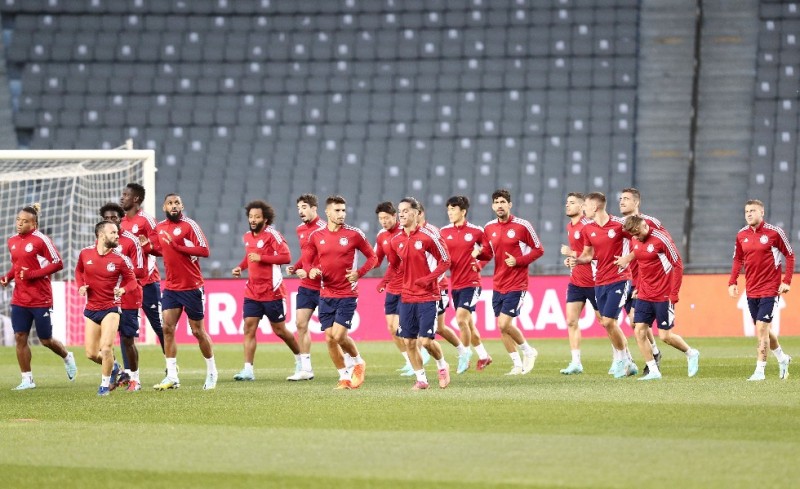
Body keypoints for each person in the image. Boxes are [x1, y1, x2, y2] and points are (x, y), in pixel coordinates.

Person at [297, 195, 377, 389]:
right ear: (327, 212)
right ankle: (344, 377)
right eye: (337, 210)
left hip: (347, 293)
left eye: (343, 210)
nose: (342, 214)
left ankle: (358, 362)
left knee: (339, 336)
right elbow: (306, 259)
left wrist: (359, 273)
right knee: (329, 339)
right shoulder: (316, 236)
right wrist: (310, 270)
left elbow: (373, 257)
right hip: (326, 294)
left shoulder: (354, 234)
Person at [1, 203, 76, 390]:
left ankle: (67, 356)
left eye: (25, 221)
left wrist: (32, 274)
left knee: (45, 340)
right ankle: (27, 379)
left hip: (40, 298)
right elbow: (17, 265)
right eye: (18, 220)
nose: (20, 223)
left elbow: (58, 263)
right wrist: (8, 277)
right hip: (19, 298)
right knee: (20, 336)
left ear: (33, 224)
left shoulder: (41, 240)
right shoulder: (12, 241)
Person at [149, 193, 217, 390]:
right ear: (164, 207)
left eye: (177, 203)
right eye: (170, 203)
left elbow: (204, 250)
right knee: (167, 328)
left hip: (192, 286)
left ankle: (212, 372)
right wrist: (147, 246)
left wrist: (178, 246)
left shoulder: (189, 225)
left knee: (197, 331)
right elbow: (162, 250)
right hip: (171, 287)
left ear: (182, 206)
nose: (174, 206)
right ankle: (172, 376)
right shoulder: (160, 227)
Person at [619, 216, 700, 379]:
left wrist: (674, 292)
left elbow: (678, 264)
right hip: (645, 294)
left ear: (644, 226)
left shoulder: (661, 239)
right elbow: (642, 266)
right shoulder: (635, 240)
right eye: (633, 235)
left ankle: (691, 353)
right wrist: (639, 287)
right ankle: (653, 370)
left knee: (665, 336)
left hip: (663, 294)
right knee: (639, 330)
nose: (636, 237)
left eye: (637, 233)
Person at [567, 192, 638, 378]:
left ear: (595, 207)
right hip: (599, 281)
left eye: (585, 206)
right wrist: (576, 260)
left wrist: (628, 258)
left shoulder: (619, 225)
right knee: (608, 324)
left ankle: (622, 360)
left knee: (608, 321)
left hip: (620, 278)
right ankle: (627, 361)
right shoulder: (588, 229)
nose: (583, 209)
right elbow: (588, 255)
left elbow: (639, 241)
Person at [385, 197, 452, 389]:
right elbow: (394, 265)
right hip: (406, 297)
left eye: (406, 211)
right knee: (409, 341)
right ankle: (421, 379)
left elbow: (446, 261)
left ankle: (442, 365)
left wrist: (429, 279)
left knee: (426, 341)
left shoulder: (429, 236)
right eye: (400, 211)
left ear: (416, 213)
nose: (402, 214)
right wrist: (385, 280)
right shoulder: (395, 240)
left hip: (428, 296)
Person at [232, 200, 302, 381]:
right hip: (252, 292)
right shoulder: (247, 237)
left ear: (265, 219)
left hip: (272, 291)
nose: (253, 220)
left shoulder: (273, 235)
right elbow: (249, 257)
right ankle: (248, 370)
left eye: (257, 217)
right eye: (251, 216)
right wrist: (241, 267)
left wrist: (261, 258)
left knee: (280, 330)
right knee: (248, 328)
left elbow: (286, 257)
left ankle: (300, 360)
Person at [475, 189, 541, 375]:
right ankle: (517, 365)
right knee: (502, 327)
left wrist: (518, 261)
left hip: (517, 283)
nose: (500, 205)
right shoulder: (489, 228)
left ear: (510, 204)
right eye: (496, 202)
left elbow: (538, 250)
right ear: (492, 206)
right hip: (498, 283)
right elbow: (488, 253)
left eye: (503, 202)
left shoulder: (522, 226)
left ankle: (529, 351)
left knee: (504, 324)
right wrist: (478, 256)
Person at [728, 199, 793, 381]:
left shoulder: (775, 233)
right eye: (746, 211)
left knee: (762, 327)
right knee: (763, 328)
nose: (749, 214)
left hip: (770, 289)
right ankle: (782, 358)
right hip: (751, 290)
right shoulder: (741, 235)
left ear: (761, 213)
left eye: (753, 211)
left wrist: (786, 281)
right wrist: (732, 282)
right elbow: (737, 259)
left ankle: (760, 371)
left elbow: (790, 255)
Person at [75, 221, 138, 396]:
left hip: (111, 307)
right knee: (91, 354)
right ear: (101, 235)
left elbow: (133, 282)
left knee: (106, 348)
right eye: (113, 233)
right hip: (91, 308)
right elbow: (79, 271)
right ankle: (116, 368)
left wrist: (123, 290)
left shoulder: (120, 259)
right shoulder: (85, 253)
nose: (117, 236)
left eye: (117, 232)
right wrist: (80, 286)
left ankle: (104, 386)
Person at [439, 195, 493, 372]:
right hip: (455, 284)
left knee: (461, 319)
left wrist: (479, 263)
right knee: (468, 324)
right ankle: (484, 356)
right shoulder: (444, 232)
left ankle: (464, 356)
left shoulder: (476, 231)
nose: (450, 213)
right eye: (448, 209)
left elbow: (489, 252)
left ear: (463, 211)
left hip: (472, 283)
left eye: (453, 209)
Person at [418, 204, 471, 372]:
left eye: (411, 212)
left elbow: (444, 260)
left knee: (433, 329)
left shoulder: (433, 232)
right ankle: (460, 352)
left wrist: (432, 281)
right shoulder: (409, 234)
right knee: (437, 328)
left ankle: (450, 358)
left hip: (436, 287)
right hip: (419, 289)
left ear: (420, 213)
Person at [100, 203, 146, 391]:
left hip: (128, 296)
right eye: (107, 218)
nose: (111, 221)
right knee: (104, 343)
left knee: (127, 339)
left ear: (121, 219)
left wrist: (118, 270)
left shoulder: (131, 241)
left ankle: (135, 379)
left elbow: (141, 271)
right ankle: (117, 372)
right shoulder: (100, 242)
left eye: (114, 218)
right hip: (106, 298)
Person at [120, 183, 165, 353]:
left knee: (160, 326)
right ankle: (129, 369)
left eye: (126, 195)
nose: (122, 198)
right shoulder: (120, 223)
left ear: (136, 199)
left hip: (147, 282)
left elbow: (161, 248)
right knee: (126, 331)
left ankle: (171, 364)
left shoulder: (147, 220)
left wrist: (147, 246)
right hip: (127, 285)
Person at [284, 194, 326, 381]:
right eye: (298, 208)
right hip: (307, 286)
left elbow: (330, 257)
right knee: (300, 324)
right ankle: (306, 369)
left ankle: (351, 363)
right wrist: (296, 267)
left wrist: (310, 270)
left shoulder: (324, 228)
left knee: (333, 332)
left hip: (325, 285)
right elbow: (307, 254)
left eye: (304, 207)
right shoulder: (300, 229)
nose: (300, 211)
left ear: (314, 208)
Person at [558, 192, 600, 375]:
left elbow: (596, 254)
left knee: (606, 322)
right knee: (571, 321)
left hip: (594, 281)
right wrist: (570, 260)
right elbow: (578, 254)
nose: (567, 205)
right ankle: (576, 362)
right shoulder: (570, 226)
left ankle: (622, 357)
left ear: (582, 206)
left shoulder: (588, 226)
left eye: (572, 202)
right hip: (576, 281)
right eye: (567, 202)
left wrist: (572, 253)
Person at [373, 201, 413, 375]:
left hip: (407, 285)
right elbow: (376, 260)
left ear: (394, 216)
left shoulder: (405, 231)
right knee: (391, 328)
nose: (383, 221)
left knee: (401, 327)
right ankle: (409, 361)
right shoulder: (381, 235)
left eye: (386, 218)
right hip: (392, 287)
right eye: (380, 218)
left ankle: (416, 359)